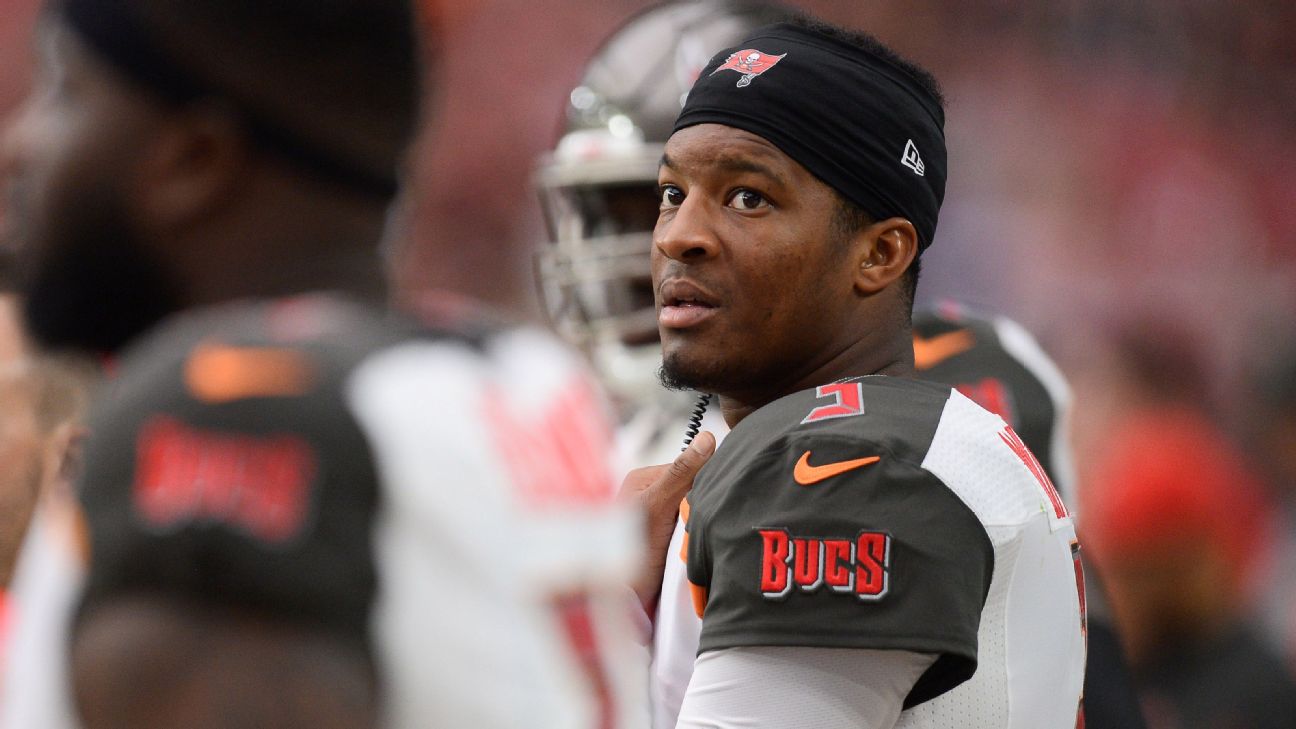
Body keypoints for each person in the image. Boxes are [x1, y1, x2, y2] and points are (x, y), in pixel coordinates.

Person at [0, 0, 665, 726]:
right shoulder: (516, 368)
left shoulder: (234, 406)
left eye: (65, 91)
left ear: (193, 161)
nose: (18, 144)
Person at [633, 14, 1085, 727]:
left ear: (879, 254)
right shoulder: (841, 442)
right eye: (671, 194)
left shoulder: (846, 462)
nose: (679, 235)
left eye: (748, 196)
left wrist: (588, 621)